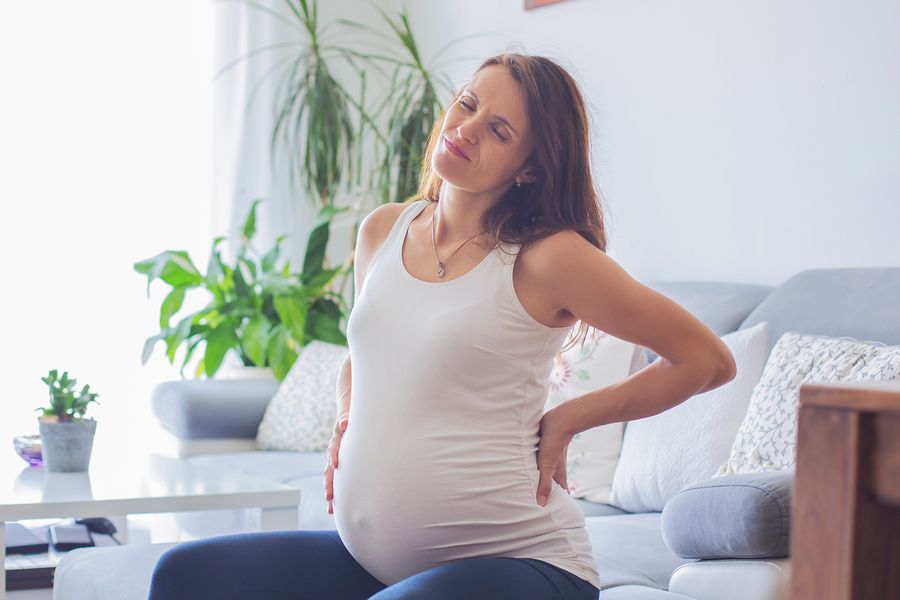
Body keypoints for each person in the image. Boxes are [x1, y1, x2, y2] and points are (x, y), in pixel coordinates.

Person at [147, 51, 736, 600]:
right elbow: (367, 353)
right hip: (381, 563)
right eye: (468, 103)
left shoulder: (548, 257)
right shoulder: (382, 230)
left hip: (524, 562)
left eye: (498, 131)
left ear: (530, 170)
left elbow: (706, 360)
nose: (466, 128)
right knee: (184, 576)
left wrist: (568, 419)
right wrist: (347, 417)